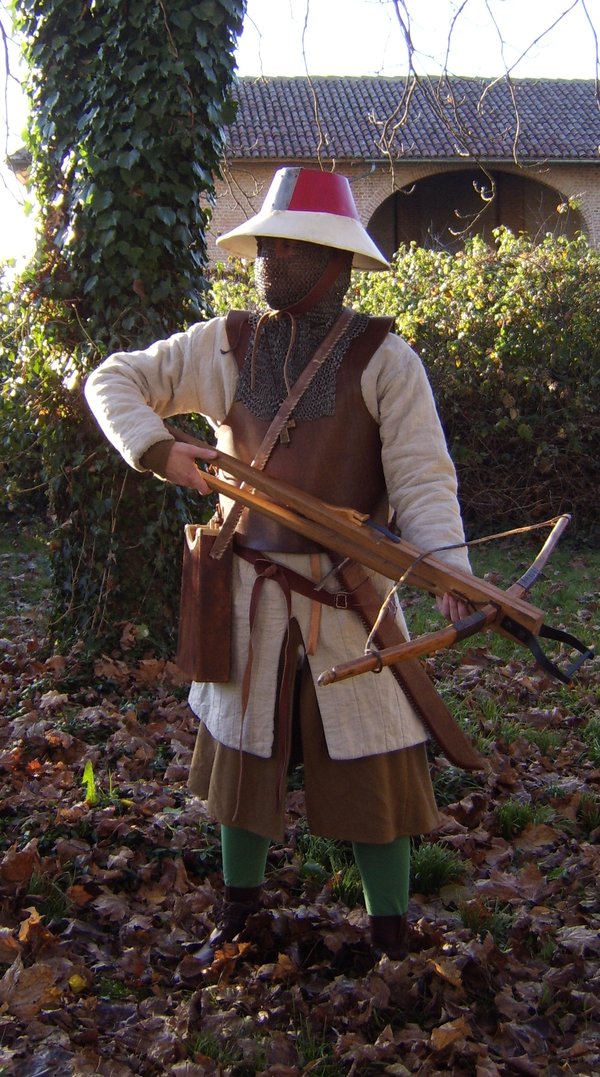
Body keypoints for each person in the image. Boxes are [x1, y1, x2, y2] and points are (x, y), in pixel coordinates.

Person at [85, 167, 471, 963]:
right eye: (266, 241)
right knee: (241, 758)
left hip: (351, 597)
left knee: (375, 761)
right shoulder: (225, 343)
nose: (269, 255)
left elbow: (422, 478)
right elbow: (114, 378)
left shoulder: (385, 358)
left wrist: (449, 574)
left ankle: (390, 935)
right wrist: (159, 449)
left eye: (287, 244)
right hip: (248, 594)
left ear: (333, 260)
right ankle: (239, 915)